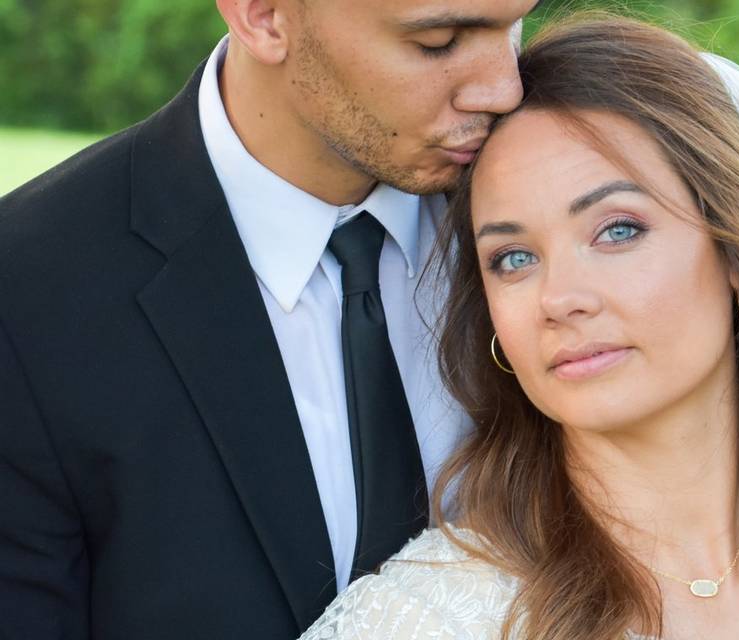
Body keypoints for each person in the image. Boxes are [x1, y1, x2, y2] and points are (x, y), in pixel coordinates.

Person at [300, 16, 739, 640]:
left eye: (618, 231)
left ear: (738, 250)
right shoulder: (426, 616)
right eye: (514, 258)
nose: (559, 299)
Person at [0, 1, 539, 638]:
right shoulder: (28, 292)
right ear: (263, 16)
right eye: (438, 41)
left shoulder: (561, 212)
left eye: (512, 24)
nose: (506, 88)